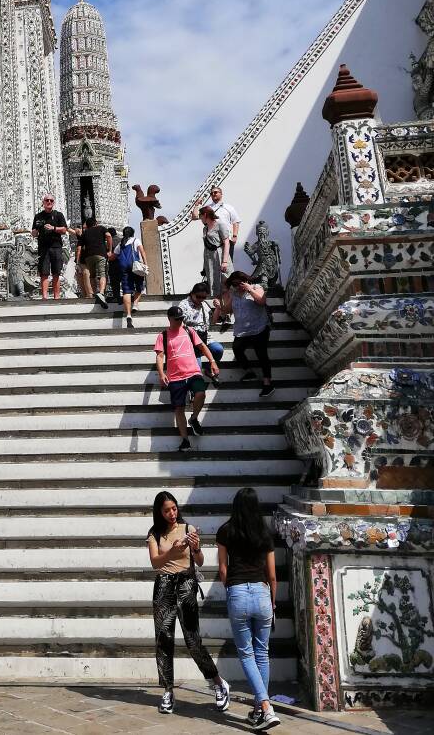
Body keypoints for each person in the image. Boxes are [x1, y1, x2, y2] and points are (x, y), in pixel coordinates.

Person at [148, 490, 230, 716]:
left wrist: (195, 548)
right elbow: (155, 562)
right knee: (163, 639)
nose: (172, 513)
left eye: (174, 508)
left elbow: (200, 561)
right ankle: (167, 690)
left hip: (185, 584)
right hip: (164, 585)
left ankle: (218, 682)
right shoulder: (154, 533)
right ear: (159, 512)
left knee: (192, 639)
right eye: (166, 510)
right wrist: (171, 552)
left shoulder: (188, 529)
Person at [216, 488, 280, 730]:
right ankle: (259, 709)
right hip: (263, 593)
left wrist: (231, 588)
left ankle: (264, 706)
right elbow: (272, 576)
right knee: (261, 653)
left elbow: (223, 569)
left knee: (246, 653)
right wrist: (272, 602)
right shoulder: (264, 533)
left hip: (238, 591)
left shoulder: (226, 530)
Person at [154, 305, 219, 452]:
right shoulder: (163, 336)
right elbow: (159, 355)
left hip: (193, 372)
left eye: (181, 318)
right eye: (177, 319)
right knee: (179, 408)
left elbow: (202, 346)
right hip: (175, 377)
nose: (180, 321)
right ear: (169, 319)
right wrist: (161, 373)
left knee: (201, 393)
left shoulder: (189, 331)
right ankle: (185, 441)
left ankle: (194, 418)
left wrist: (212, 361)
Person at [218, 272, 275, 398]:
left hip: (259, 328)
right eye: (234, 284)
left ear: (245, 280)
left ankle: (267, 383)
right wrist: (226, 295)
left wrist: (249, 290)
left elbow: (261, 301)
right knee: (237, 349)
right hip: (242, 331)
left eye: (239, 283)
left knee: (262, 355)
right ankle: (249, 371)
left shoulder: (256, 287)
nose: (237, 286)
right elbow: (227, 310)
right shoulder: (234, 294)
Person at [178, 281, 224, 383]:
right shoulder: (184, 304)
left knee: (218, 349)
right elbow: (178, 323)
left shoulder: (204, 304)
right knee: (197, 368)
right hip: (191, 339)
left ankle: (208, 369)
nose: (201, 299)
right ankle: (193, 392)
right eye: (198, 296)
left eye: (204, 297)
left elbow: (214, 321)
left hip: (204, 337)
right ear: (192, 293)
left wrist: (218, 308)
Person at [31, 194, 68, 300]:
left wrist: (53, 228)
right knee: (44, 272)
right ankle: (45, 297)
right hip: (43, 247)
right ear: (43, 202)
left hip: (56, 246)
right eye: (47, 200)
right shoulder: (38, 216)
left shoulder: (58, 215)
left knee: (56, 272)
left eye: (51, 200)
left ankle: (57, 297)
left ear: (53, 202)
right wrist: (36, 229)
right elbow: (34, 234)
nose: (49, 202)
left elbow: (64, 230)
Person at [192, 185, 241, 260]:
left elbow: (236, 222)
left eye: (215, 192)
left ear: (221, 194)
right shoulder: (208, 208)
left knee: (227, 264)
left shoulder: (229, 207)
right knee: (212, 264)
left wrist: (235, 236)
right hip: (212, 240)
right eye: (211, 193)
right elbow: (194, 217)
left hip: (226, 238)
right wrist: (196, 205)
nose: (213, 194)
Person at [76, 216, 113, 308]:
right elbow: (108, 236)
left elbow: (79, 248)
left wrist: (77, 262)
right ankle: (101, 292)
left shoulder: (85, 233)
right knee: (102, 274)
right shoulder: (101, 228)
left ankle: (92, 293)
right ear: (96, 223)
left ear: (87, 226)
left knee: (92, 275)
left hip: (88, 257)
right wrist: (109, 250)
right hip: (100, 254)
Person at [115, 225, 146, 327]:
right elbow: (142, 252)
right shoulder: (135, 240)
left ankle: (128, 315)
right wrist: (145, 264)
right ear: (132, 233)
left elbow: (114, 255)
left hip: (123, 268)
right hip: (134, 266)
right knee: (140, 285)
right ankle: (135, 304)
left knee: (126, 291)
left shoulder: (121, 243)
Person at [198, 206, 231, 297]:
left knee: (223, 280)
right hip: (209, 257)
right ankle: (215, 304)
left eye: (200, 216)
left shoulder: (220, 225)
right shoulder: (205, 228)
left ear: (205, 215)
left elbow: (226, 243)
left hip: (219, 255)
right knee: (212, 280)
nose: (200, 219)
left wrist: (224, 261)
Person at [107, 227, 122, 304]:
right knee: (123, 280)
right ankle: (127, 295)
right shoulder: (121, 240)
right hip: (122, 263)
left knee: (114, 281)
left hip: (113, 263)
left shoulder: (109, 242)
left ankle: (117, 297)